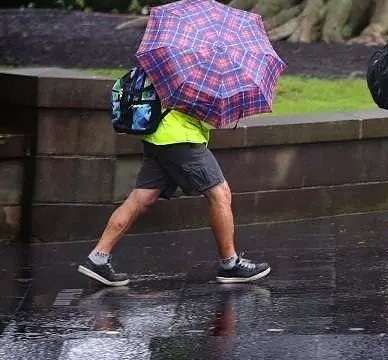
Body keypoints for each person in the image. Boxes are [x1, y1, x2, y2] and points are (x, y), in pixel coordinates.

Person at [78, 109, 270, 286]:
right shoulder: (194, 72)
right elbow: (197, 106)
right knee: (220, 194)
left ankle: (98, 257)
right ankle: (230, 264)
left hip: (157, 136)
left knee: (141, 198)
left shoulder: (168, 72)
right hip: (181, 138)